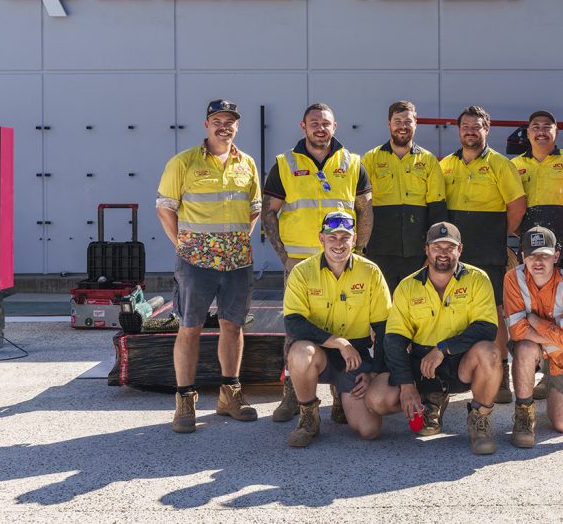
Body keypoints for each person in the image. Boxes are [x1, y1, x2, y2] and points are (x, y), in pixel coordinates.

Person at [261, 102, 373, 423]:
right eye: (314, 123)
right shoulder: (285, 164)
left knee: (343, 324)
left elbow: (365, 210)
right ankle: (292, 396)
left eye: (326, 123)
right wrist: (285, 257)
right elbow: (269, 212)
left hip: (342, 260)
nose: (320, 128)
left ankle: (340, 395)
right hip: (300, 263)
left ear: (334, 127)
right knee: (295, 331)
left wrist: (360, 251)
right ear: (303, 127)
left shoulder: (352, 163)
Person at [155, 99, 262, 434]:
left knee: (233, 326)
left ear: (237, 126)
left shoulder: (247, 164)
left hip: (237, 261)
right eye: (217, 120)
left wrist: (236, 242)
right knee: (190, 327)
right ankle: (185, 400)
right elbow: (165, 209)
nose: (224, 126)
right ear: (206, 125)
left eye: (230, 121)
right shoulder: (183, 162)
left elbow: (254, 209)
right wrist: (184, 246)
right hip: (195, 262)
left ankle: (230, 395)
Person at [365, 222, 502, 455]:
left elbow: (487, 329)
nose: (443, 253)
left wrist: (443, 349)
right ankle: (429, 401)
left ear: (460, 249)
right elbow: (394, 340)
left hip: (460, 362)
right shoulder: (408, 286)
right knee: (376, 399)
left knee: (490, 352)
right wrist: (407, 386)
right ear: (426, 249)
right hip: (422, 366)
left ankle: (480, 418)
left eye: (450, 247)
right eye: (437, 247)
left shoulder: (477, 279)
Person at [440, 105, 526, 404]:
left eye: (476, 127)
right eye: (465, 127)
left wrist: (496, 235)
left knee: (495, 313)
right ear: (458, 130)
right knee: (453, 309)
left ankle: (501, 376)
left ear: (486, 129)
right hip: (454, 255)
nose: (470, 132)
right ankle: (452, 370)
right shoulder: (446, 165)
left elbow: (517, 206)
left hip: (489, 252)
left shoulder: (501, 165)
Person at [282, 211, 391, 447]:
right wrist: (339, 342)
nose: (339, 244)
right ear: (321, 238)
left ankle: (341, 396)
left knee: (369, 430)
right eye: (332, 237)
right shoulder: (302, 272)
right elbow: (293, 323)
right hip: (319, 351)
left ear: (355, 239)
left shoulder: (371, 272)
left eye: (345, 237)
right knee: (300, 353)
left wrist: (374, 373)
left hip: (354, 359)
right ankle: (309, 416)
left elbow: (384, 329)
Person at [511, 110, 563, 405]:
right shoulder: (515, 166)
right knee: (540, 311)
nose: (541, 131)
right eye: (535, 126)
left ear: (556, 131)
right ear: (528, 133)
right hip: (534, 254)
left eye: (548, 126)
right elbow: (510, 206)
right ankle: (547, 374)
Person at [504, 226, 563, 447]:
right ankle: (524, 413)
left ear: (556, 256)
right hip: (538, 348)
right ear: (523, 256)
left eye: (545, 255)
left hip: (560, 356)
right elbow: (517, 331)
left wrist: (534, 321)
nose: (538, 261)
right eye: (532, 256)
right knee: (524, 348)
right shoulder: (513, 278)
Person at [361, 100, 447, 290]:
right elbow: (360, 206)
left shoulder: (429, 160)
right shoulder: (371, 159)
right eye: (397, 121)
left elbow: (437, 210)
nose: (402, 126)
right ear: (389, 124)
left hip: (417, 251)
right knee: (381, 302)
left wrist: (434, 250)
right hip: (379, 250)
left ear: (416, 123)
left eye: (408, 121)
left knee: (416, 301)